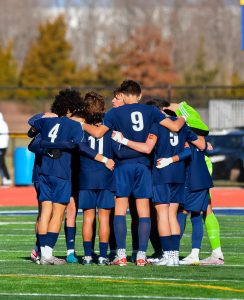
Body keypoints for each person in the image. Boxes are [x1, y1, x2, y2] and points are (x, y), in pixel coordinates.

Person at [82, 80, 186, 266]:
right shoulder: (151, 111)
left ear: (122, 94)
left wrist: (80, 124)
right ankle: (140, 256)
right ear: (139, 95)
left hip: (122, 166)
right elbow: (175, 127)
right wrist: (182, 118)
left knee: (120, 211)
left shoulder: (114, 113)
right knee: (143, 212)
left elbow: (97, 134)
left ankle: (121, 255)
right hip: (143, 166)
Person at [112, 98, 206, 266]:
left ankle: (166, 256)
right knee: (173, 215)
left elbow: (147, 148)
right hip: (178, 174)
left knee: (163, 215)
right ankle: (174, 257)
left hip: (161, 173)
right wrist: (174, 158)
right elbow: (200, 145)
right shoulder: (180, 123)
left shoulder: (156, 125)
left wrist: (123, 140)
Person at [29, 88, 114, 265]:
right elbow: (79, 146)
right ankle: (47, 254)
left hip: (45, 171)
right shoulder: (74, 125)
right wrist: (103, 158)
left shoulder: (46, 122)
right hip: (62, 173)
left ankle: (41, 253)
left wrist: (48, 144)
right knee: (58, 214)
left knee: (45, 212)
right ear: (70, 109)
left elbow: (32, 135)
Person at [163, 100, 224, 265]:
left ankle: (207, 253)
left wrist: (181, 113)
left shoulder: (183, 110)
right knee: (197, 211)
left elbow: (203, 129)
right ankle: (214, 253)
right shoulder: (182, 115)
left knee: (198, 210)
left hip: (198, 168)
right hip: (196, 167)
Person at [72, 91, 115, 265]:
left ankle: (88, 255)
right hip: (106, 175)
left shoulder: (79, 125)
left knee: (88, 217)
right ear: (102, 107)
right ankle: (103, 255)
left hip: (86, 175)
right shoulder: (110, 124)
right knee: (104, 217)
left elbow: (80, 148)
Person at [0, 112, 12, 186]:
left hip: (1, 146)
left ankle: (7, 179)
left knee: (1, 163)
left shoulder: (2, 124)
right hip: (3, 146)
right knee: (1, 163)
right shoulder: (4, 123)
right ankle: (5, 179)